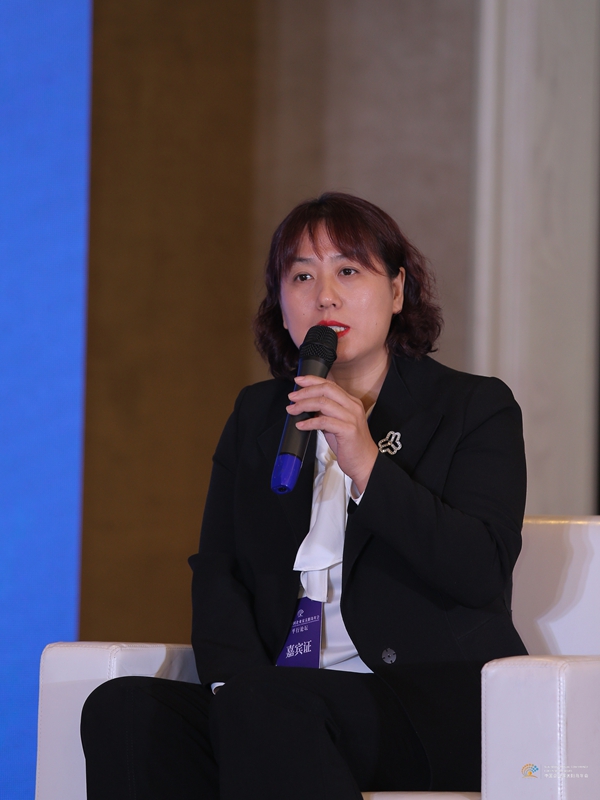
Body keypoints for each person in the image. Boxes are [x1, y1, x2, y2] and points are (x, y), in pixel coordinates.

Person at [81, 192, 527, 798]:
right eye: (302, 276)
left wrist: (365, 462)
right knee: (124, 709)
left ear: (397, 291)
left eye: (349, 270)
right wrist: (234, 690)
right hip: (277, 700)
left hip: (423, 708)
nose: (325, 295)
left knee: (272, 705)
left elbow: (480, 570)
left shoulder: (472, 407)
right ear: (281, 303)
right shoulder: (257, 416)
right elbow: (218, 573)